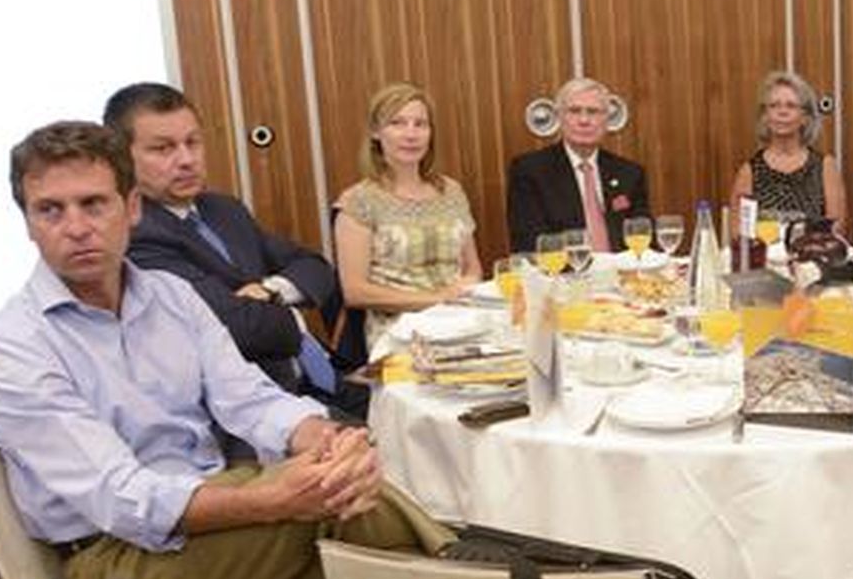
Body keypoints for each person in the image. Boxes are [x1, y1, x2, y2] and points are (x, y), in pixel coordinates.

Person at [0, 122, 450, 579]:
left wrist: (324, 439)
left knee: (387, 570)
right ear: (28, 223)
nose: (75, 227)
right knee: (349, 514)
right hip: (117, 564)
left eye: (93, 204)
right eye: (50, 210)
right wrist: (273, 500)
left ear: (131, 208)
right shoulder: (13, 346)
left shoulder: (171, 297)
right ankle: (471, 564)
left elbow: (249, 398)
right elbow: (122, 497)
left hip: (215, 523)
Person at [103, 83, 364, 417]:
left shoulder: (223, 209)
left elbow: (316, 267)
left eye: (192, 142)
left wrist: (270, 291)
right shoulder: (136, 236)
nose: (186, 160)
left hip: (324, 378)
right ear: (123, 160)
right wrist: (281, 312)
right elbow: (243, 330)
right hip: (259, 405)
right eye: (163, 149)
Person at [333, 82, 482, 348]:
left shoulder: (451, 191)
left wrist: (466, 288)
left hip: (459, 323)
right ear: (376, 132)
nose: (411, 134)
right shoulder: (358, 202)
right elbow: (355, 292)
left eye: (420, 124)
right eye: (397, 123)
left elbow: (472, 267)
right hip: (397, 334)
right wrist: (437, 299)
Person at [506, 76, 651, 253]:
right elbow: (530, 244)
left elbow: (644, 238)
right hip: (562, 270)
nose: (584, 120)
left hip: (622, 269)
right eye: (574, 111)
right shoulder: (530, 172)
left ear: (607, 120)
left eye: (593, 112)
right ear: (560, 117)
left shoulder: (629, 173)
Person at [729, 70, 845, 223]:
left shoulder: (825, 167)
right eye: (774, 106)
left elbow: (836, 227)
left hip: (814, 240)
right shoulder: (749, 171)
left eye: (791, 106)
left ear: (805, 117)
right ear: (765, 116)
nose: (782, 112)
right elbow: (739, 231)